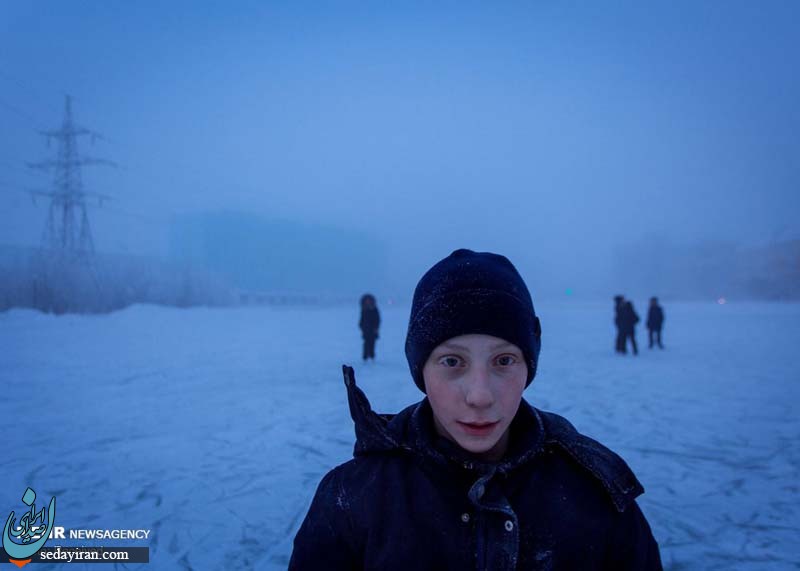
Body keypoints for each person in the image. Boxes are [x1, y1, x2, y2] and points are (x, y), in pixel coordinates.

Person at [290, 249, 661, 570]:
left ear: (529, 366)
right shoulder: (354, 498)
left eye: (503, 360)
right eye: (452, 362)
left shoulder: (596, 494)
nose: (480, 396)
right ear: (420, 369)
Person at [359, 294, 381, 361]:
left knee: (372, 343)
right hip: (366, 329)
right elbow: (362, 319)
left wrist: (376, 328)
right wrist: (361, 325)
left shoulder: (374, 309)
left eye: (369, 301)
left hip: (373, 329)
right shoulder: (364, 309)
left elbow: (377, 319)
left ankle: (372, 356)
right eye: (366, 301)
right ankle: (365, 357)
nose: (368, 302)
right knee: (366, 343)